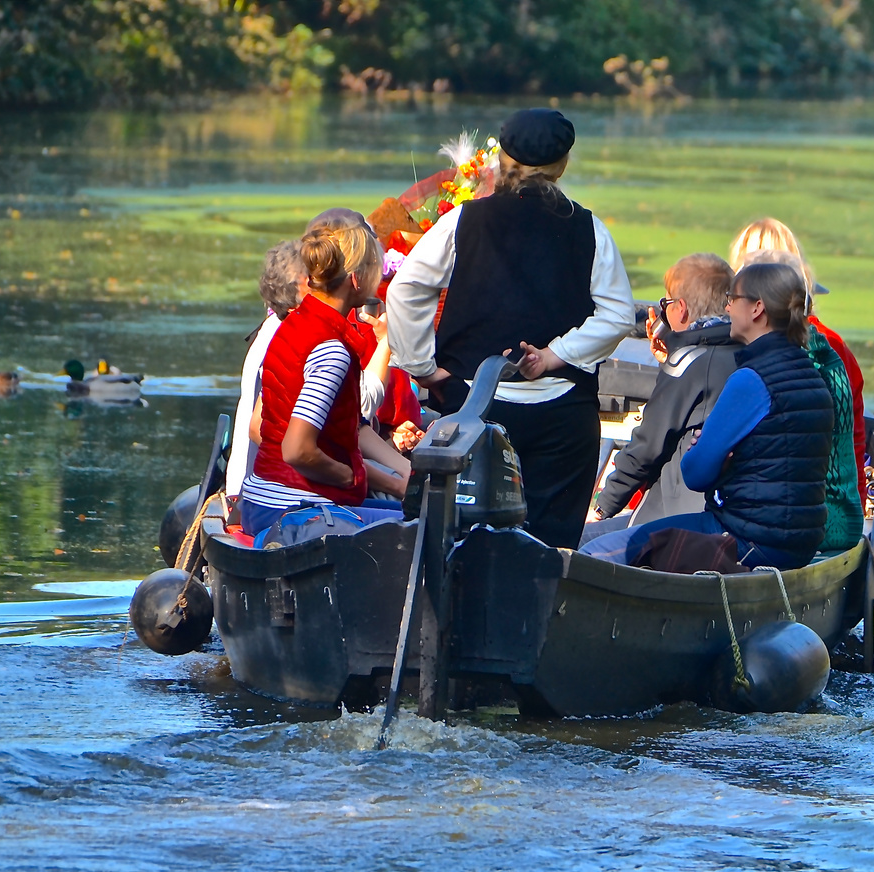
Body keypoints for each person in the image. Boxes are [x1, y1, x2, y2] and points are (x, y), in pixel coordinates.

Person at [386, 107, 634, 549]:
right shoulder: (589, 229)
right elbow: (617, 313)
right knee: (549, 551)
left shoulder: (464, 220)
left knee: (461, 545)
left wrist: (422, 368)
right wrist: (555, 354)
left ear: (502, 159)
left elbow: (405, 288)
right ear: (561, 167)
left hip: (475, 408)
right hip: (561, 417)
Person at [607, 261, 833, 570]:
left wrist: (714, 455)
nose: (726, 307)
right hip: (798, 544)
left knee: (600, 550)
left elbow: (696, 474)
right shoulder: (811, 374)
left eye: (733, 298)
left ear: (756, 309)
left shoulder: (751, 380)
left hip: (746, 541)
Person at [238, 218, 404, 538]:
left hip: (262, 500)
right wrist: (348, 477)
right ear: (356, 280)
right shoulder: (332, 350)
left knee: (405, 512)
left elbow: (342, 426)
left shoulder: (293, 323)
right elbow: (297, 451)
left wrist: (401, 475)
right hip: (294, 510)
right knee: (426, 528)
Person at [729, 218, 870, 505]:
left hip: (770, 510)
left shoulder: (737, 349)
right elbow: (852, 434)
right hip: (839, 504)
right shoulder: (835, 348)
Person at [592, 252, 736, 526]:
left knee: (584, 545)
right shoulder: (743, 352)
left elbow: (646, 448)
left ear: (680, 308)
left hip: (673, 521)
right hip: (726, 516)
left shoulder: (688, 363)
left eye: (665, 302)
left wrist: (602, 507)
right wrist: (666, 364)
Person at [743, 249, 863, 552]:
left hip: (798, 528)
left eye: (734, 299)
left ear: (759, 307)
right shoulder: (829, 353)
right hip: (844, 516)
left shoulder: (769, 368)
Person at [227, 240, 304, 499]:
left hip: (244, 484)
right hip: (260, 491)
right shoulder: (287, 338)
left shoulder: (270, 329)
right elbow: (260, 429)